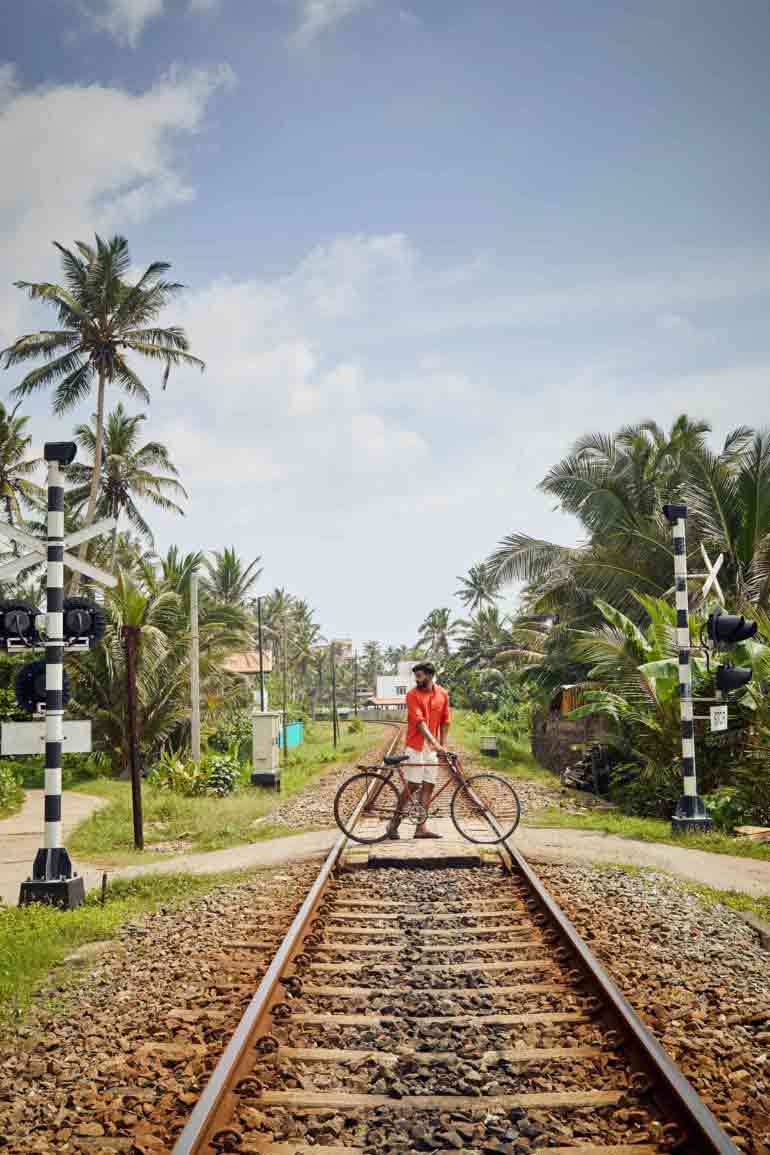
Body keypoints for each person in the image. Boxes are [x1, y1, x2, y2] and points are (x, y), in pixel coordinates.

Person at [387, 661, 450, 840]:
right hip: (415, 745)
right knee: (413, 785)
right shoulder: (412, 695)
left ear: (430, 676)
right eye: (415, 676)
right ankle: (394, 824)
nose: (416, 679)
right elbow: (420, 722)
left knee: (429, 785)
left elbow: (446, 721)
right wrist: (436, 744)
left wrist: (443, 745)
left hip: (431, 748)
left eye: (420, 676)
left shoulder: (443, 694)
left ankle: (421, 828)